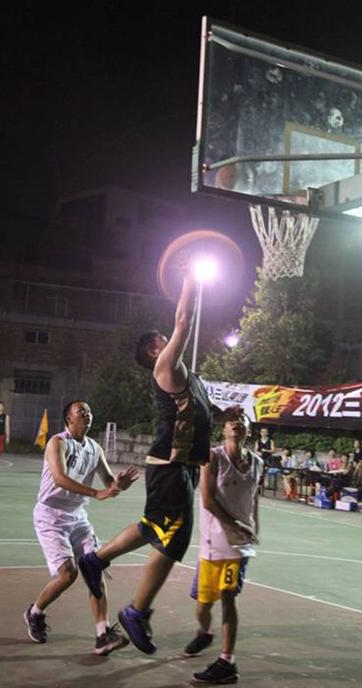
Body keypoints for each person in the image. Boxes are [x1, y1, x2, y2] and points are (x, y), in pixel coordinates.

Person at [78, 271, 243, 656]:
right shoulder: (165, 367)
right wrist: (191, 279)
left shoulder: (188, 376)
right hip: (170, 464)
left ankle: (95, 560)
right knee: (176, 538)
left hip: (179, 465)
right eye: (162, 339)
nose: (169, 339)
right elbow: (184, 319)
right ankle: (136, 611)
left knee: (153, 525)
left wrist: (224, 414)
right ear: (155, 350)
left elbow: (200, 411)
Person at [24, 400, 138, 654]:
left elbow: (109, 482)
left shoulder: (95, 448)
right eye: (81, 411)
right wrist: (96, 493)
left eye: (89, 411)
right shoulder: (57, 443)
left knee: (93, 569)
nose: (87, 414)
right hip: (50, 515)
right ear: (69, 419)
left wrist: (119, 485)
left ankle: (103, 634)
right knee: (68, 574)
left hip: (77, 517)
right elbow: (60, 478)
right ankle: (35, 612)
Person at [184, 413, 262, 685]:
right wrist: (234, 525)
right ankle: (205, 632)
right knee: (203, 604)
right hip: (212, 543)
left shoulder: (258, 463)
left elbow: (254, 498)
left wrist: (253, 526)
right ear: (224, 429)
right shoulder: (213, 457)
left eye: (243, 419)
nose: (237, 422)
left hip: (239, 546)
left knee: (228, 597)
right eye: (232, 420)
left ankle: (227, 661)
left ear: (249, 430)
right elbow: (207, 500)